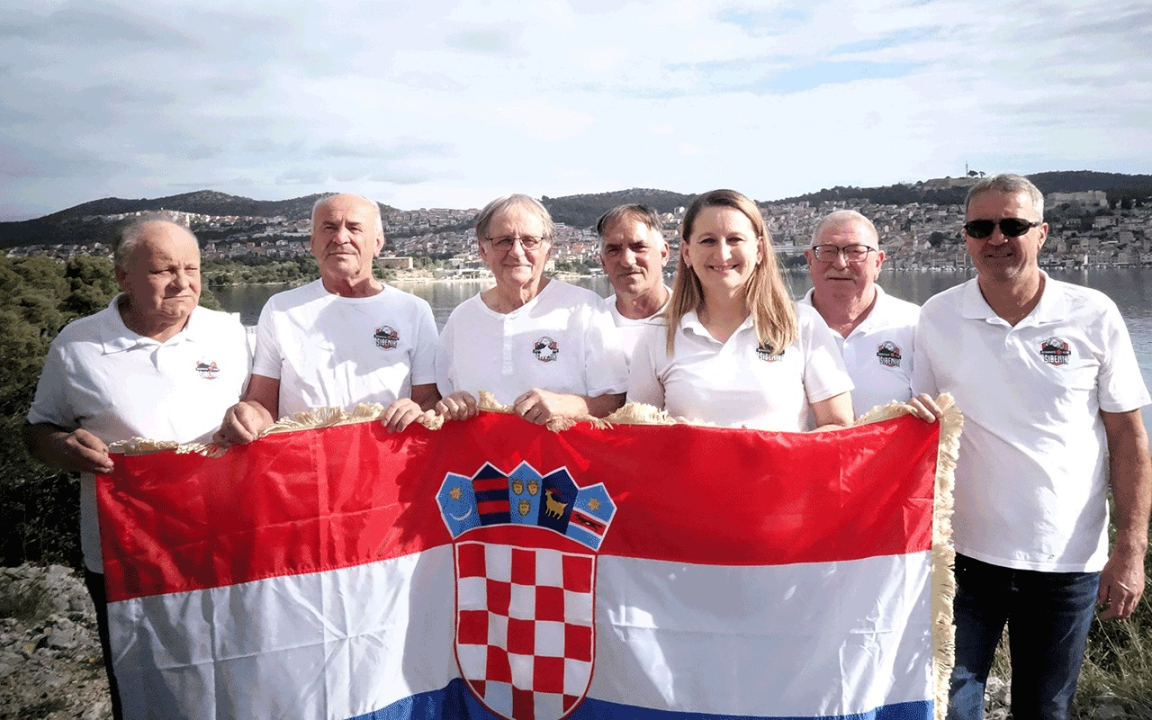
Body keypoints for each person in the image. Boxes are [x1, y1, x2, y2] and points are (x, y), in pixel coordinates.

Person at [911, 174, 1152, 720]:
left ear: (1041, 233)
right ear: (967, 237)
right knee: (950, 706)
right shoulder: (937, 317)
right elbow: (921, 429)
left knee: (1047, 709)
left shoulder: (1094, 314)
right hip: (965, 556)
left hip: (1067, 559)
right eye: (980, 226)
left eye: (1012, 225)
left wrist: (1131, 550)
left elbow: (1129, 439)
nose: (996, 238)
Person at [24, 217, 251, 720]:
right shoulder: (77, 345)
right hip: (124, 553)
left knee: (238, 674)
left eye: (192, 268)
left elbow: (266, 411)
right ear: (122, 276)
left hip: (223, 544)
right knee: (143, 682)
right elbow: (37, 431)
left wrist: (253, 415)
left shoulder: (232, 333)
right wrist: (64, 447)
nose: (183, 283)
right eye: (163, 271)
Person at [215, 193, 438, 444]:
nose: (341, 237)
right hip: (305, 467)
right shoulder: (280, 309)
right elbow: (263, 404)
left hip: (386, 465)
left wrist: (417, 411)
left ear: (377, 243)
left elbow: (428, 399)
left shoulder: (414, 310)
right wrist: (248, 418)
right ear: (313, 243)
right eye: (329, 227)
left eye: (354, 228)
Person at [627, 189, 854, 431]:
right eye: (708, 241)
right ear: (686, 253)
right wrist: (670, 436)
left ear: (759, 250)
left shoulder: (802, 324)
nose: (722, 253)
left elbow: (839, 424)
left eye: (735, 239)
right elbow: (635, 431)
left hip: (783, 470)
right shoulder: (657, 334)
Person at [436, 193, 627, 424]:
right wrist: (449, 404)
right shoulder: (462, 319)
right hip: (484, 460)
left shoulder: (585, 308)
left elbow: (617, 401)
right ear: (483, 250)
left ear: (548, 249)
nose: (516, 252)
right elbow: (438, 398)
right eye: (504, 240)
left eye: (529, 240)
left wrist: (570, 405)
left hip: (561, 458)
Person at [799, 210, 920, 416]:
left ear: (878, 263)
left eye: (855, 251)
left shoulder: (916, 324)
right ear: (810, 261)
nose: (840, 263)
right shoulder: (777, 327)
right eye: (828, 251)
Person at [597, 204, 672, 361]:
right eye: (614, 250)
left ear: (664, 254)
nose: (627, 260)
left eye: (639, 247)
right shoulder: (590, 325)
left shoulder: (696, 318)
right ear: (603, 263)